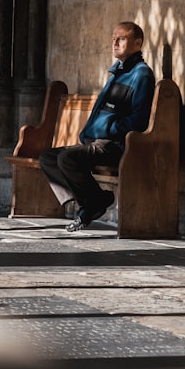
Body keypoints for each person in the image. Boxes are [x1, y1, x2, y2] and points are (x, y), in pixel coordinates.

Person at [39, 21, 156, 232]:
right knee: (47, 157)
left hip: (115, 145)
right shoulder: (117, 73)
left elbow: (138, 120)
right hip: (97, 141)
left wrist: (109, 129)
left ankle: (92, 203)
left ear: (138, 43)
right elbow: (99, 111)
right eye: (113, 38)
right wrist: (86, 133)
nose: (115, 42)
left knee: (67, 158)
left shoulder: (141, 75)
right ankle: (94, 200)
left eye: (121, 38)